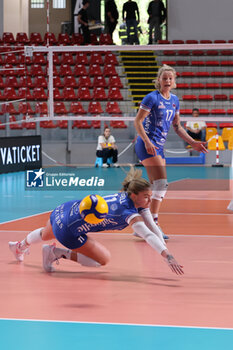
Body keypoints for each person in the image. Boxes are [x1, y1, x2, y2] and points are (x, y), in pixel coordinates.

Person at [8, 168, 184, 275]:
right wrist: (167, 256)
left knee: (45, 233)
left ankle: (19, 246)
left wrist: (167, 253)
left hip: (66, 209)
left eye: (150, 196)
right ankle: (56, 253)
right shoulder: (127, 212)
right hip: (69, 229)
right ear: (134, 195)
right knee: (102, 260)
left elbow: (153, 227)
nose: (150, 200)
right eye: (146, 197)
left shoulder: (133, 199)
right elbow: (146, 234)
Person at [134, 65, 208, 239]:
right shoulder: (151, 98)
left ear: (174, 81)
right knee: (161, 183)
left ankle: (141, 225)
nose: (167, 81)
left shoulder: (174, 100)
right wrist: (146, 141)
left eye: (170, 78)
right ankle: (153, 224)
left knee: (155, 186)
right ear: (158, 80)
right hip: (147, 145)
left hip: (159, 147)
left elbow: (177, 127)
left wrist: (193, 142)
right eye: (164, 78)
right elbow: (138, 122)